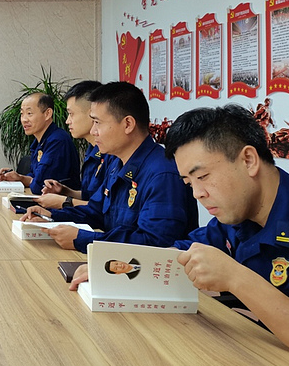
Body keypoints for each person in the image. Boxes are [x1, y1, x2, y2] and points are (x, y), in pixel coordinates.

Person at [71, 103, 289, 355]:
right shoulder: (236, 214)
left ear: (248, 160)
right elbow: (186, 250)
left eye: (202, 177)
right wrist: (118, 266)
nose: (197, 194)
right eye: (188, 182)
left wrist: (235, 278)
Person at [23, 81, 198, 252]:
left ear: (128, 124)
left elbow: (154, 244)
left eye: (97, 123)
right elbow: (96, 211)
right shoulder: (117, 163)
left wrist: (84, 239)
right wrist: (50, 216)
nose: (93, 131)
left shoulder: (162, 173)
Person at [34, 80, 116, 210]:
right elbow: (90, 196)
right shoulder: (92, 149)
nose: (67, 121)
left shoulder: (112, 153)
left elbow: (103, 209)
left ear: (92, 113)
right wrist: (65, 191)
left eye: (71, 114)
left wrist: (64, 201)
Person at [0, 92, 81, 195]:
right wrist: (20, 178)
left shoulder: (57, 141)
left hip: (61, 203)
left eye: (29, 113)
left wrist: (30, 181)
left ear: (47, 114)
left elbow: (39, 186)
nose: (24, 120)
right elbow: (35, 176)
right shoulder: (40, 141)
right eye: (22, 114)